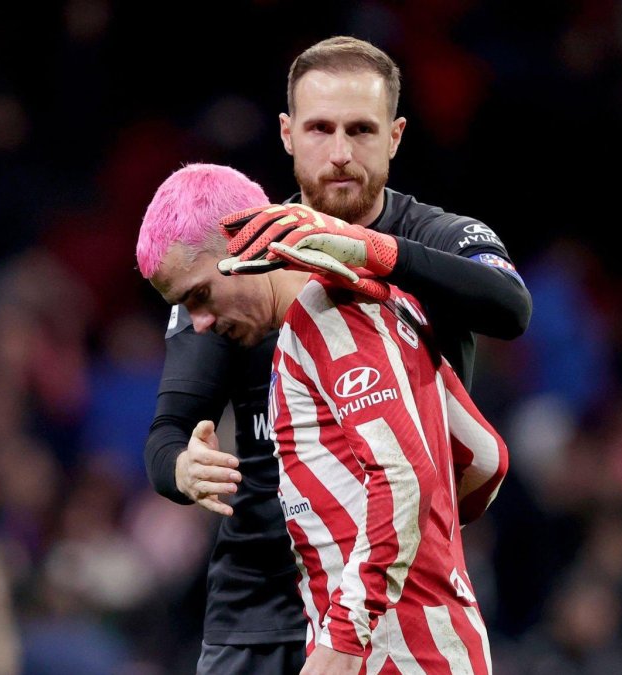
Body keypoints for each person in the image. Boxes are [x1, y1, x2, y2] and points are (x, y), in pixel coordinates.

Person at [142, 36, 531, 673]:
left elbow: (511, 308)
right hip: (264, 607)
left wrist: (377, 253)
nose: (341, 152)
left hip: (379, 595)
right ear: (288, 134)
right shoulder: (231, 260)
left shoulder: (434, 238)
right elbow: (168, 433)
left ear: (395, 137)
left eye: (361, 129)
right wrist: (183, 470)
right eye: (321, 129)